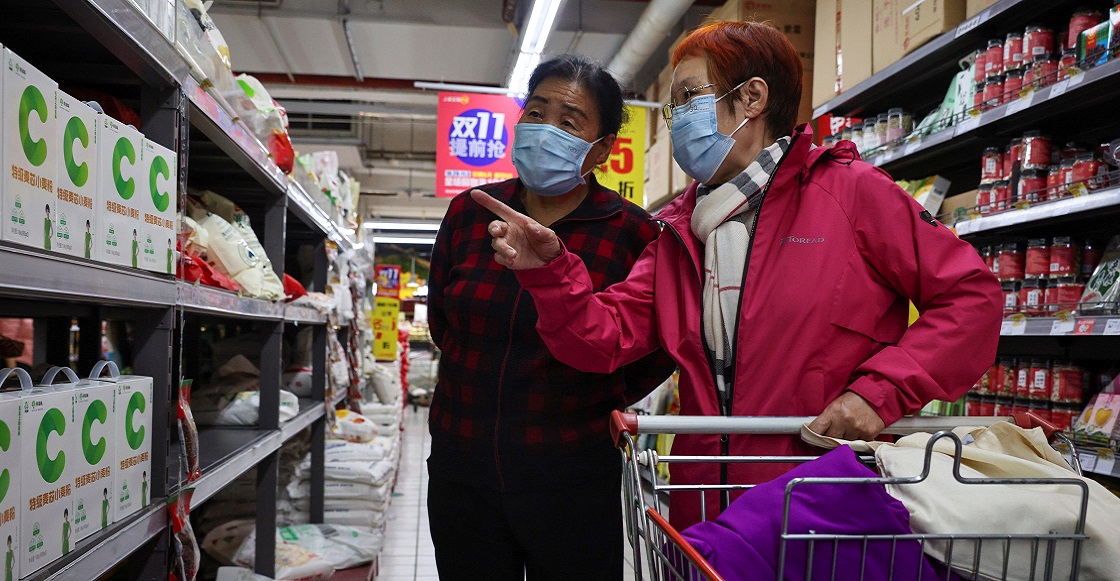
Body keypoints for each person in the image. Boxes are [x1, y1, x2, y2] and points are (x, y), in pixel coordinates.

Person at [472, 21, 1003, 531]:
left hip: (821, 499)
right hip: (704, 507)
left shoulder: (850, 195)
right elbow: (602, 339)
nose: (677, 118)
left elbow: (970, 298)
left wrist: (878, 393)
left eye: (687, 98)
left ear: (752, 98)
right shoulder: (680, 234)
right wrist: (550, 272)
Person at [426, 54, 675, 580]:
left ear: (602, 148)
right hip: (462, 466)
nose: (543, 130)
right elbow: (443, 322)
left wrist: (594, 403)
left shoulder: (631, 231)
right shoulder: (472, 210)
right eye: (535, 112)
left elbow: (651, 351)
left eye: (568, 121)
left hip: (571, 477)